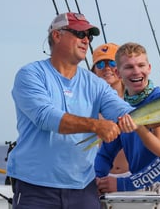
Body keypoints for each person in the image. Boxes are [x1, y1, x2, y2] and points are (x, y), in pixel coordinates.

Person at [7, 12, 134, 209]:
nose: (86, 41)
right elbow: (45, 116)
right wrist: (96, 125)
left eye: (88, 36)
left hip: (83, 188)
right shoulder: (30, 74)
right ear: (57, 35)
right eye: (79, 34)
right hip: (35, 189)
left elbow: (125, 112)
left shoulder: (95, 83)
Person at [94, 42, 160, 195]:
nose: (136, 72)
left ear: (149, 68)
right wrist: (97, 178)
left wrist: (124, 184)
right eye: (129, 67)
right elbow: (106, 153)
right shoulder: (121, 108)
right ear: (117, 72)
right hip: (139, 193)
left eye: (141, 65)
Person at [92, 43, 130, 177]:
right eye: (100, 65)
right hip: (98, 176)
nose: (107, 68)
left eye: (112, 63)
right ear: (94, 72)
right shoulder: (89, 106)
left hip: (133, 177)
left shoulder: (135, 101)